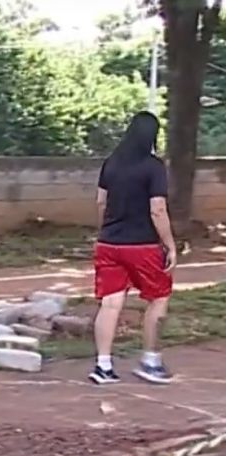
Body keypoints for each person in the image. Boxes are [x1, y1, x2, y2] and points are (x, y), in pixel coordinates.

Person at [89, 110, 178, 385]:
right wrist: (170, 245)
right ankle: (150, 361)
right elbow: (158, 209)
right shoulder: (153, 167)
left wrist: (110, 228)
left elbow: (101, 202)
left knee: (111, 303)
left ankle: (103, 366)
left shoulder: (111, 163)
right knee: (159, 298)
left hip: (108, 243)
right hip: (143, 246)